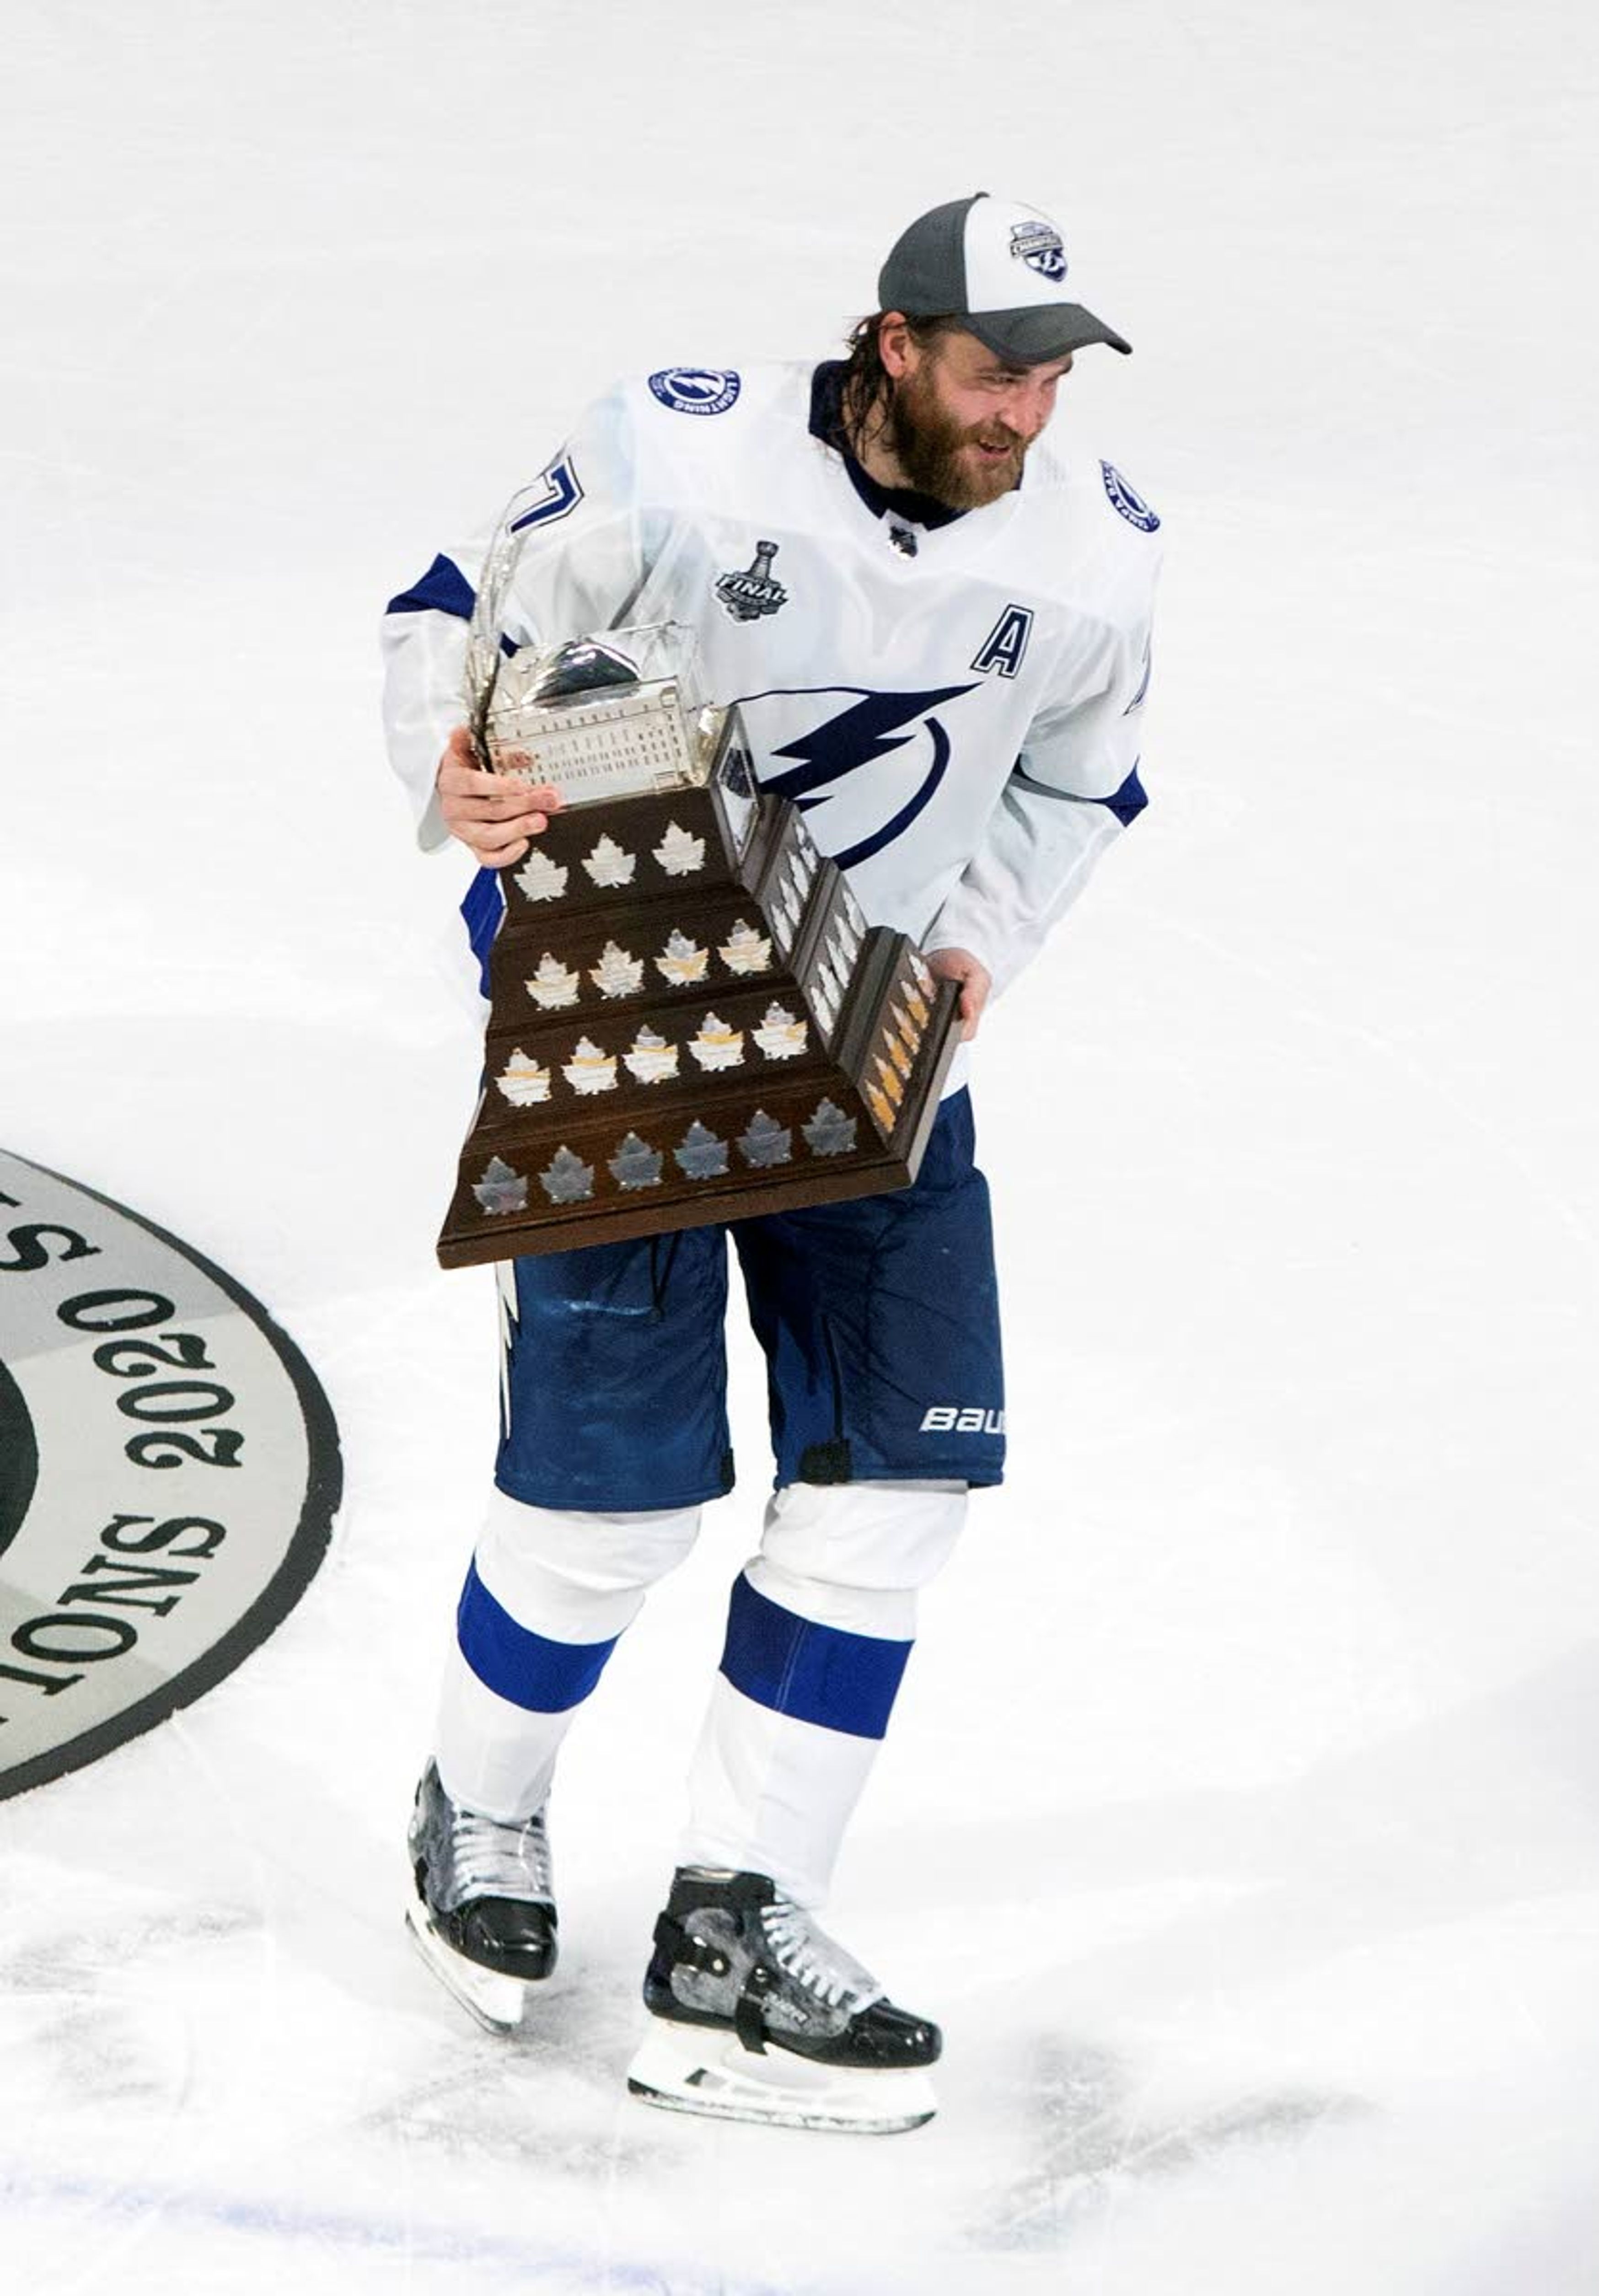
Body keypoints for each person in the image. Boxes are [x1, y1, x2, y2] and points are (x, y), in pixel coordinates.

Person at [380, 192, 1159, 2132]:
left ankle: (739, 1933)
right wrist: (454, 765)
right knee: (614, 1495)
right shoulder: (683, 447)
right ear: (892, 342)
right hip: (635, 1011)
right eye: (996, 370)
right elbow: (453, 623)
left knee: (902, 1473)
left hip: (877, 1027)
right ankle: (476, 1806)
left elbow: (1081, 769)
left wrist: (983, 932)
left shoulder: (1092, 557)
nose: (1028, 414)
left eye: (1055, 375)